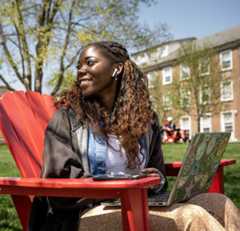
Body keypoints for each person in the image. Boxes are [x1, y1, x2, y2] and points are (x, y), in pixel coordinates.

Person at [29, 41, 240, 231]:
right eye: (79, 67)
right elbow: (59, 187)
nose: (81, 71)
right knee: (192, 217)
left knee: (219, 203)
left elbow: (158, 174)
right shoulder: (68, 119)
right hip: (83, 216)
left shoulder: (145, 121)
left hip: (139, 204)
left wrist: (155, 180)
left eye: (90, 63)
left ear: (117, 69)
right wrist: (122, 187)